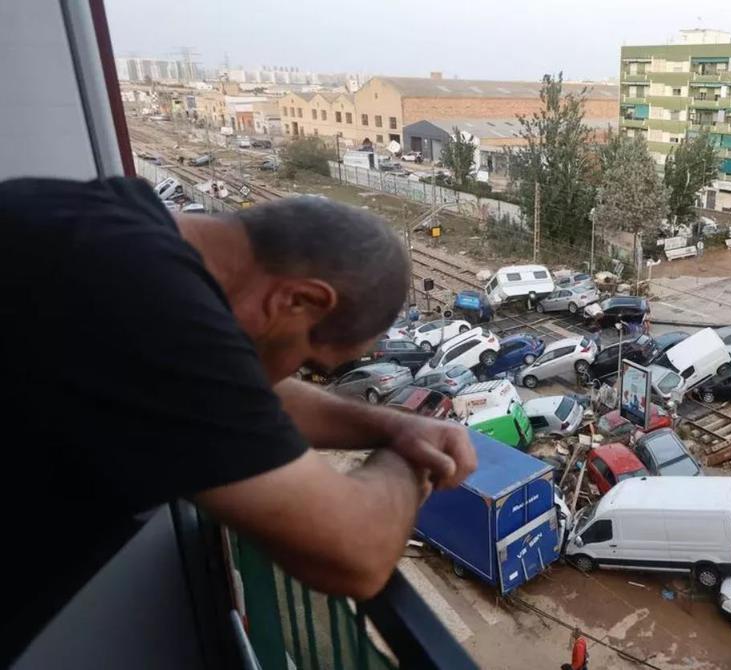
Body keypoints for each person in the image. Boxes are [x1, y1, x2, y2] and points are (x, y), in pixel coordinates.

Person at [0, 178, 476, 663]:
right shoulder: (150, 305)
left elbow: (235, 394)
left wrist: (396, 425)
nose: (298, 375)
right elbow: (357, 555)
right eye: (311, 365)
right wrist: (411, 459)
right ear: (298, 301)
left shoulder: (106, 220)